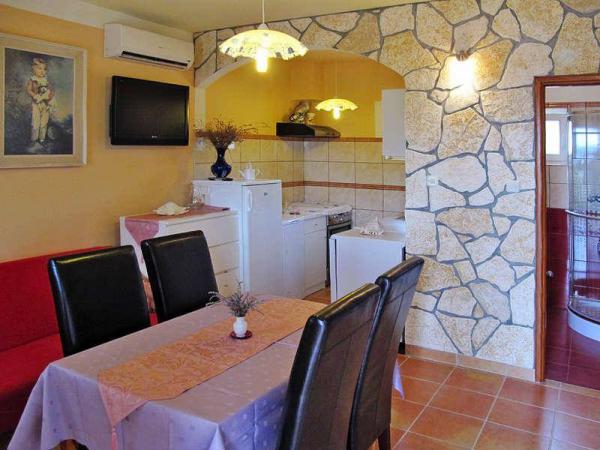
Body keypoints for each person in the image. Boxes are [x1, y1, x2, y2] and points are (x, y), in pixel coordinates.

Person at [26, 57, 54, 146]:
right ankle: (34, 139)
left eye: (44, 69)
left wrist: (48, 97)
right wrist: (34, 95)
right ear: (34, 69)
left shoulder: (46, 80)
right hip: (36, 104)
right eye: (40, 69)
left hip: (45, 104)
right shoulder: (32, 80)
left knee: (44, 122)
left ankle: (42, 139)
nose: (42, 71)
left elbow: (51, 91)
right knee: (35, 121)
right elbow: (29, 90)